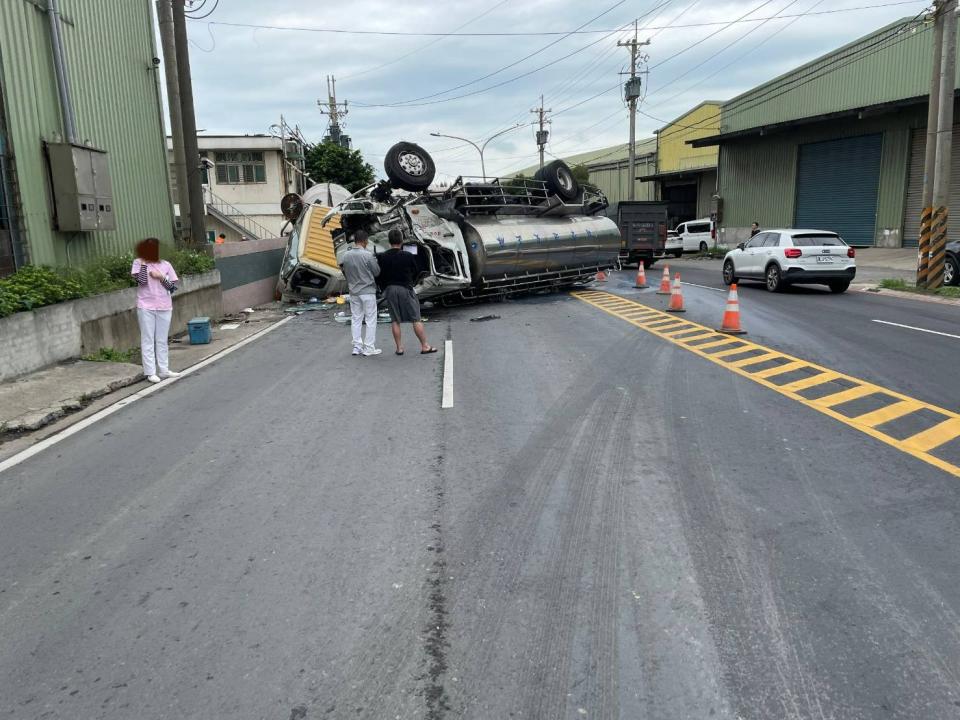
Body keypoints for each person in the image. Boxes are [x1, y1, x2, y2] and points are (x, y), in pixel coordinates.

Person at [377, 228, 437, 356]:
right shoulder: (408, 255)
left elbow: (379, 275)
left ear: (389, 241)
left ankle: (399, 348)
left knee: (395, 320)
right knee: (416, 318)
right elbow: (417, 271)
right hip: (405, 288)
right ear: (401, 240)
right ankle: (425, 346)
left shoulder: (382, 257)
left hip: (390, 290)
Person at [131, 238, 180, 383]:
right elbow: (141, 281)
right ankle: (150, 372)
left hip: (164, 306)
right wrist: (145, 264)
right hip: (146, 305)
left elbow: (172, 288)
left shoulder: (166, 265)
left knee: (162, 339)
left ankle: (164, 370)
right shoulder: (138, 263)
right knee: (148, 339)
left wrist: (161, 277)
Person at [340, 229, 382, 357]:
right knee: (370, 319)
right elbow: (377, 272)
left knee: (356, 318)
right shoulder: (368, 255)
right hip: (368, 291)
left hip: (353, 291)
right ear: (365, 241)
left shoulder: (345, 255)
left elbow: (344, 271)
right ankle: (369, 347)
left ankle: (357, 346)